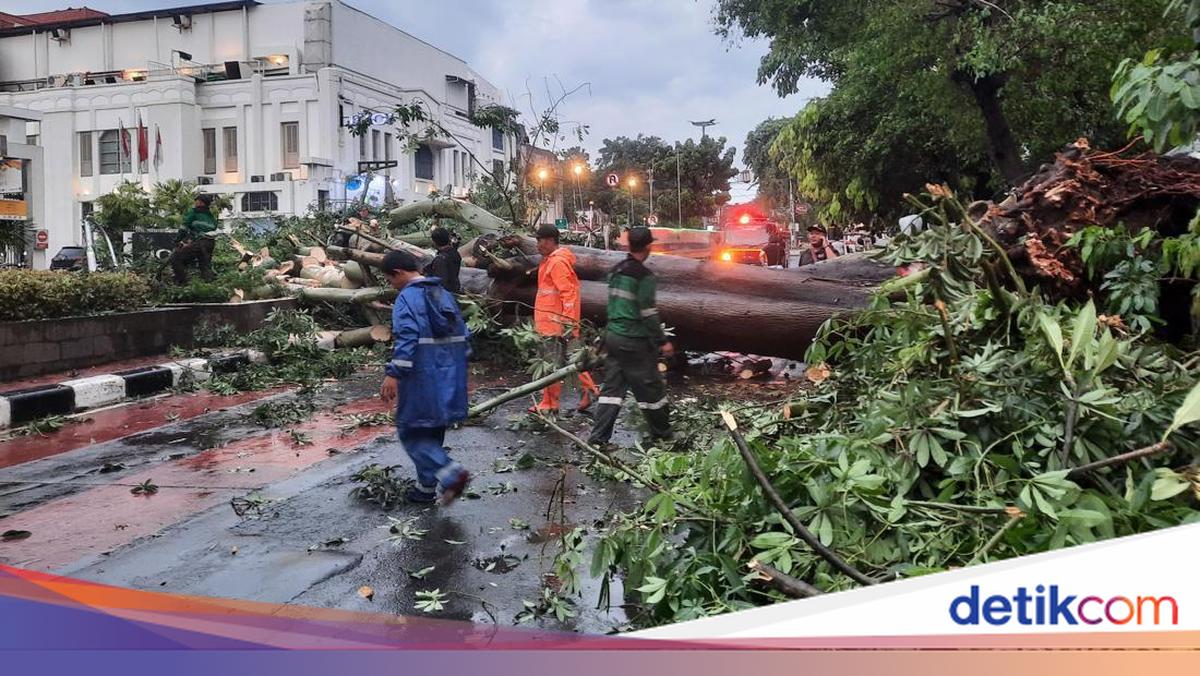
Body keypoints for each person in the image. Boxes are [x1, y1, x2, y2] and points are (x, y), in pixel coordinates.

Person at [379, 250, 472, 505]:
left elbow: (407, 337)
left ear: (398, 273)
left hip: (421, 377)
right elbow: (465, 335)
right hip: (449, 377)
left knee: (411, 432)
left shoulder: (407, 299)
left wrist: (393, 374)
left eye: (390, 280)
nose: (392, 285)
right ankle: (425, 489)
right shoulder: (444, 294)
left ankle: (452, 475)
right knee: (432, 432)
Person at [587, 226, 674, 448]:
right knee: (651, 388)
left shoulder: (616, 270)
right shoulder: (643, 276)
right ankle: (663, 436)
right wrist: (662, 341)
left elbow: (614, 305)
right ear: (647, 247)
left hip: (613, 336)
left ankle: (598, 439)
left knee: (612, 390)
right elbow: (648, 313)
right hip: (633, 339)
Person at [530, 224, 600, 414]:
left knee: (552, 364)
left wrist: (569, 326)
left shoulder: (557, 263)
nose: (537, 244)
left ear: (550, 240)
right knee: (571, 361)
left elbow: (569, 295)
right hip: (554, 323)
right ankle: (589, 392)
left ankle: (550, 403)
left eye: (540, 240)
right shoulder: (550, 261)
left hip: (555, 324)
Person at [171, 194, 219, 283]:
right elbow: (213, 227)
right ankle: (210, 286)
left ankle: (182, 282)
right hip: (210, 243)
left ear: (200, 202)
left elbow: (183, 228)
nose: (195, 203)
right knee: (205, 265)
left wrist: (177, 240)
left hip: (199, 243)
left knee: (175, 258)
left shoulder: (194, 212)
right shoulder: (210, 216)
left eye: (196, 201)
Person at [422, 227, 462, 293]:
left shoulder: (441, 259)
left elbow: (441, 281)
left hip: (445, 293)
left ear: (434, 242)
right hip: (455, 288)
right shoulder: (455, 253)